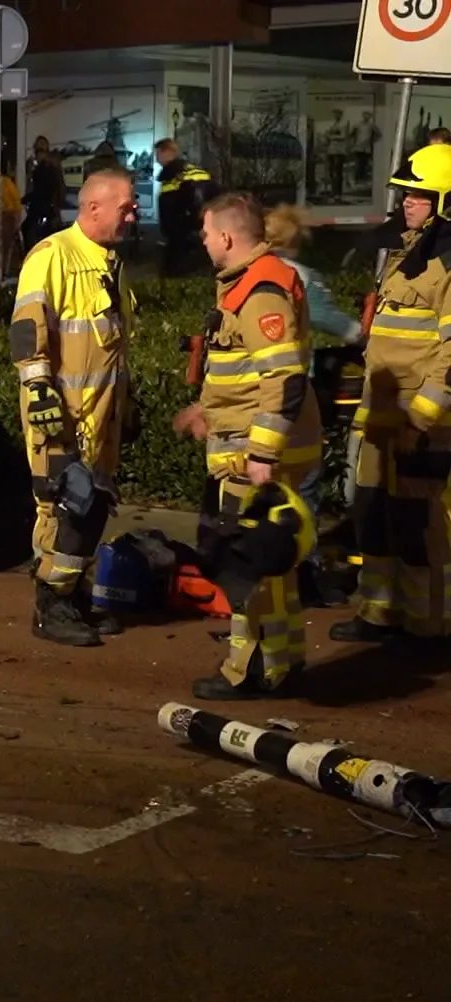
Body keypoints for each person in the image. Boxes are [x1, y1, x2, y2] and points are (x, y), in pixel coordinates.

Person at [171, 193, 324, 699]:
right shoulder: (255, 281)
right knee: (272, 567)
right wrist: (207, 410)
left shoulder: (258, 290)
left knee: (247, 566)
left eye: (206, 233)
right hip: (257, 444)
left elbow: (283, 377)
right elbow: (245, 371)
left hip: (255, 453)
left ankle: (247, 670)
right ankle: (282, 662)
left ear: (226, 237)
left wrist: (261, 453)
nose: (202, 241)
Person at [10, 167, 141, 647]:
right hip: (63, 418)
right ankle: (51, 606)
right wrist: (40, 392)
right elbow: (27, 330)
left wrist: (127, 403)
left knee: (93, 508)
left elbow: (112, 345)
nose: (133, 215)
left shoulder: (108, 262)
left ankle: (73, 596)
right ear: (93, 208)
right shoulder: (53, 256)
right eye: (126, 207)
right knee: (64, 510)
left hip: (101, 418)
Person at [332, 143, 451, 645]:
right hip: (380, 418)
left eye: (420, 196)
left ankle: (426, 626)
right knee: (373, 514)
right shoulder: (407, 253)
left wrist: (420, 419)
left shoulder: (447, 264)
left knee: (417, 525)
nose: (408, 202)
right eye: (406, 193)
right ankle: (379, 612)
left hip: (419, 424)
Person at [264, 203, 363, 607]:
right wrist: (368, 334)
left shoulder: (246, 274)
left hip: (254, 395)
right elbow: (340, 325)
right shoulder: (301, 276)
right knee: (303, 484)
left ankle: (266, 571)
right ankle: (304, 572)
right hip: (295, 394)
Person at [155, 138, 216, 277]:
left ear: (165, 152)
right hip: (201, 233)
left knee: (177, 273)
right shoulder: (196, 172)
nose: (156, 159)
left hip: (183, 238)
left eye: (157, 154)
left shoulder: (174, 176)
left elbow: (173, 208)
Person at [22, 135, 66, 249]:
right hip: (47, 210)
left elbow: (42, 191)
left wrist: (24, 199)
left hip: (44, 210)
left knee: (29, 231)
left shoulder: (45, 168)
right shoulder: (48, 167)